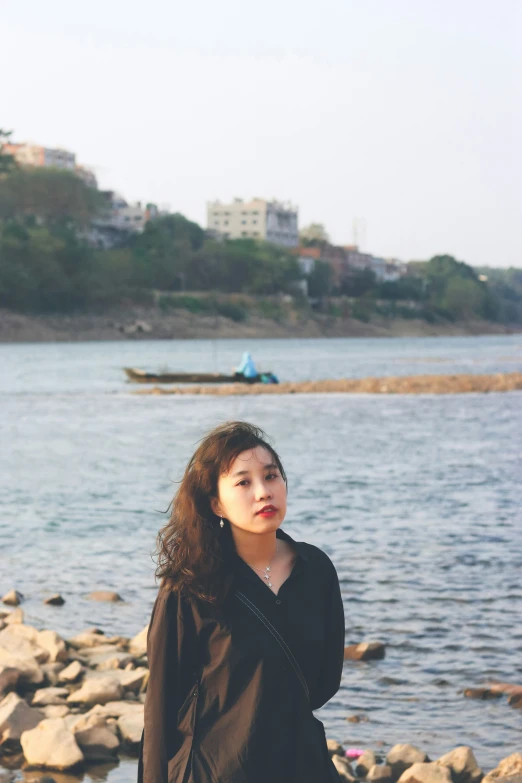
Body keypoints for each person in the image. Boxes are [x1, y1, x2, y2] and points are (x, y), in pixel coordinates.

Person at [138, 421, 345, 783]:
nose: (264, 492)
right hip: (215, 771)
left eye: (271, 476)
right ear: (216, 503)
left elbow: (326, 680)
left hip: (301, 765)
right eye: (243, 482)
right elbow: (161, 705)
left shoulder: (316, 570)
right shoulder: (190, 586)